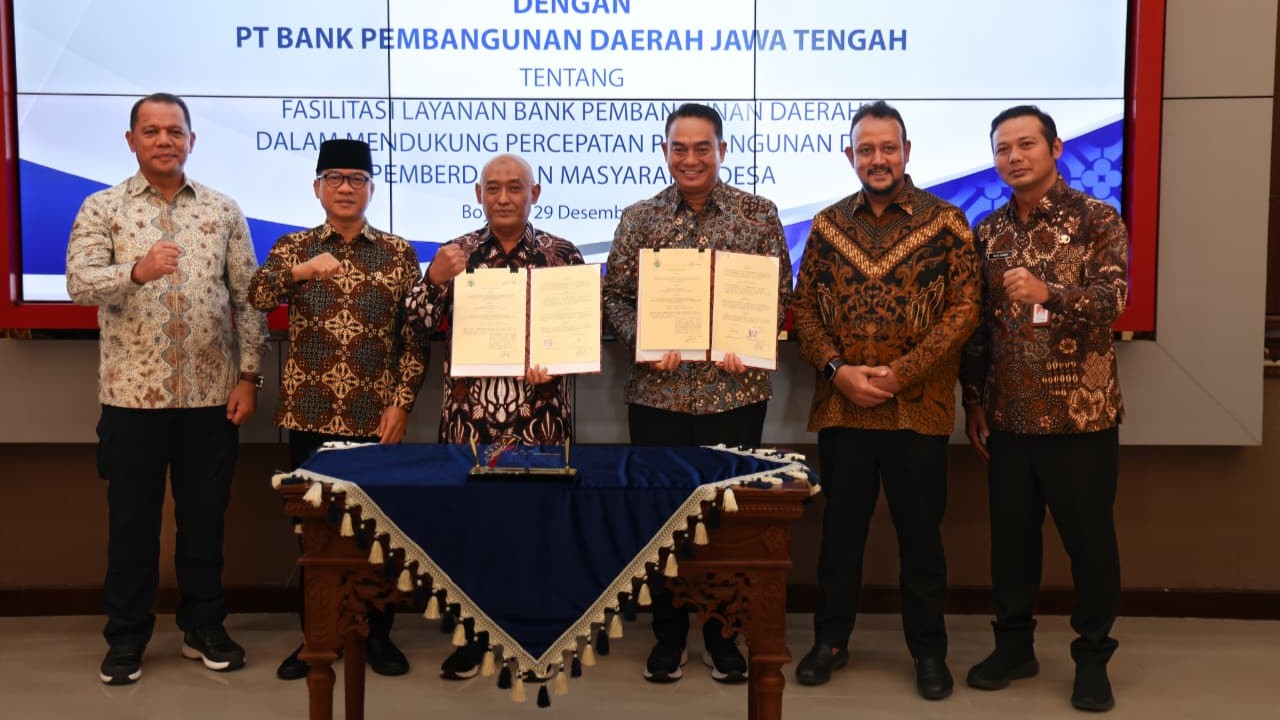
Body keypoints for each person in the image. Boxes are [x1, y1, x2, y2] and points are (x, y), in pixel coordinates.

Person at [66, 92, 268, 685]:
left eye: (174, 131)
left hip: (212, 398)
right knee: (131, 524)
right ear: (131, 140)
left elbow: (249, 299)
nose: (163, 141)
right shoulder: (103, 208)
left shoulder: (222, 210)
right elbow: (78, 283)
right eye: (151, 131)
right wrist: (136, 271)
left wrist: (250, 377)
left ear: (191, 141)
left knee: (205, 522)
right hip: (132, 400)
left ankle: (204, 627)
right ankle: (126, 638)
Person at [790, 100, 979, 700]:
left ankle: (928, 652)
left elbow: (965, 311)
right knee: (839, 536)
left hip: (917, 411)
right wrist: (838, 369)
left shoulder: (948, 222)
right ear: (850, 156)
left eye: (888, 147)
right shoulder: (825, 226)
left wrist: (901, 374)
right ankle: (831, 641)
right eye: (866, 149)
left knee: (921, 539)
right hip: (842, 409)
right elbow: (806, 312)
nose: (878, 159)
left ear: (907, 151)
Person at [602, 102, 792, 685]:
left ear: (721, 151)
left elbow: (781, 293)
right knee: (663, 518)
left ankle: (721, 633)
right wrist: (643, 338)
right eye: (678, 148)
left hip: (734, 392)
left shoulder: (758, 215)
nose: (690, 158)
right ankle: (670, 634)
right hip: (657, 396)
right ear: (665, 153)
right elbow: (614, 297)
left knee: (725, 515)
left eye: (701, 148)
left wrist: (753, 337)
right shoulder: (639, 219)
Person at [960, 105, 1127, 713]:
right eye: (1003, 148)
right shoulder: (987, 231)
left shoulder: (1097, 219)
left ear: (1055, 148)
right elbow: (977, 326)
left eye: (1026, 144)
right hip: (1009, 417)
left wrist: (1048, 292)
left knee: (1089, 544)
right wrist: (974, 401)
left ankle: (1092, 658)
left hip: (1080, 416)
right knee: (1011, 544)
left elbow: (1114, 301)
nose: (1014, 157)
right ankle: (1014, 648)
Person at [247, 139, 427, 680]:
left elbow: (411, 338)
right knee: (316, 534)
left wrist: (402, 402)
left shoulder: (398, 253)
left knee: (379, 531)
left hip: (376, 415)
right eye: (334, 177)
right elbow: (256, 296)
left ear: (371, 188)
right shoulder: (293, 246)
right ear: (317, 187)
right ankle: (316, 638)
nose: (345, 187)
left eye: (356, 178)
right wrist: (299, 274)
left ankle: (376, 637)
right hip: (309, 413)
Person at [403, 153, 584, 678]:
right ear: (478, 194)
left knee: (539, 530)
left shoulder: (562, 255)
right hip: (469, 421)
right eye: (493, 188)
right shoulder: (455, 254)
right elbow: (413, 325)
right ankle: (471, 640)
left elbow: (580, 335)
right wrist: (434, 278)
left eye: (515, 188)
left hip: (541, 419)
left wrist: (558, 362)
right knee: (473, 533)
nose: (504, 198)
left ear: (536, 194)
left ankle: (537, 640)